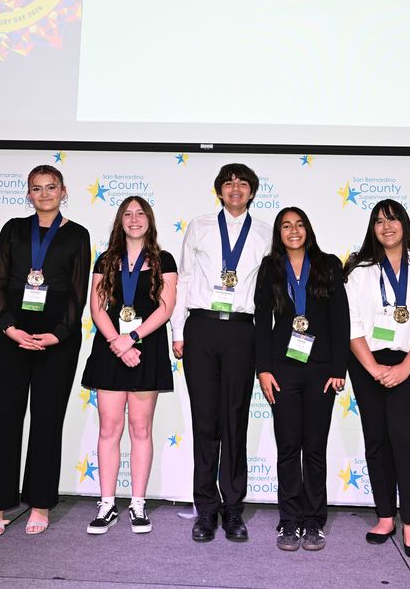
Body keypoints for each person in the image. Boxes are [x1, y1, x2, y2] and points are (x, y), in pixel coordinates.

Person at [0, 165, 90, 536]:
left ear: (64, 191)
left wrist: (58, 334)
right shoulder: (13, 228)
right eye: (36, 188)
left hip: (56, 341)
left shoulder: (78, 234)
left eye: (51, 187)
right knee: (5, 419)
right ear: (28, 194)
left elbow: (78, 291)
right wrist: (10, 328)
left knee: (47, 421)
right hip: (9, 335)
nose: (44, 194)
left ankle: (40, 503)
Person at [170, 162, 272, 542]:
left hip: (242, 330)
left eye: (243, 183)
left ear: (252, 192)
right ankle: (206, 509)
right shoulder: (199, 226)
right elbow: (183, 280)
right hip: (201, 326)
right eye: (228, 183)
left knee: (235, 420)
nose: (235, 189)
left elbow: (269, 293)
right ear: (219, 191)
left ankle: (232, 509)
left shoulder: (265, 233)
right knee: (205, 421)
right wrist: (178, 331)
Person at [344, 200, 410, 559]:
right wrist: (373, 368)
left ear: (405, 224)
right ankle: (385, 516)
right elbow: (352, 324)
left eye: (393, 219)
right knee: (377, 440)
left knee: (405, 439)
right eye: (379, 221)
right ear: (372, 229)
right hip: (367, 363)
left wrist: (404, 369)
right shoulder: (359, 272)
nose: (386, 226)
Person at [254, 207, 349, 552]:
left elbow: (341, 318)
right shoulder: (270, 267)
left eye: (299, 225)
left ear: (308, 229)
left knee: (315, 448)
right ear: (279, 233)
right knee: (288, 446)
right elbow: (261, 320)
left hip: (321, 369)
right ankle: (289, 520)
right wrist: (263, 369)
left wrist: (339, 368)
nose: (293, 231)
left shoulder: (328, 265)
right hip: (282, 369)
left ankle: (314, 522)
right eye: (286, 226)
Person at [81, 196, 177, 535]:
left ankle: (138, 503)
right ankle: (107, 503)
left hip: (146, 349)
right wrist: (117, 343)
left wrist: (131, 338)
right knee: (109, 429)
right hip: (110, 349)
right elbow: (96, 308)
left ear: (149, 220)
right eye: (127, 214)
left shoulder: (164, 259)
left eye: (140, 214)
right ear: (120, 221)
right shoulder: (106, 260)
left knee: (140, 429)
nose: (134, 219)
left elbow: (166, 308)